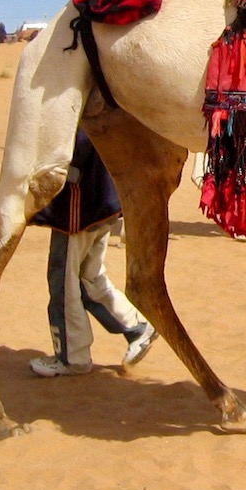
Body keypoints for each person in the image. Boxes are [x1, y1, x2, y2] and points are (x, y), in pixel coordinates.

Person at [27, 130, 157, 377]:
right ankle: (136, 327)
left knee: (63, 281)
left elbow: (71, 155)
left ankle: (71, 357)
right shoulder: (105, 104)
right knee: (90, 277)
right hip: (102, 203)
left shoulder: (80, 110)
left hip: (80, 209)